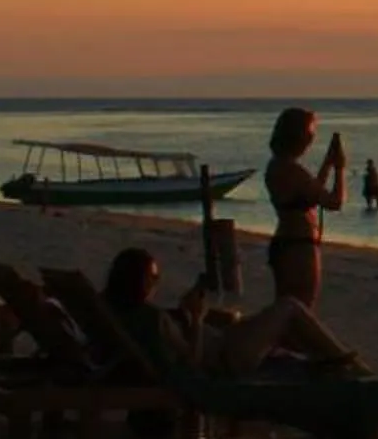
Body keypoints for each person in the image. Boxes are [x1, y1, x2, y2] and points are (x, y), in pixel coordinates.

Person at [100, 246, 361, 378]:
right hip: (226, 358)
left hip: (222, 343)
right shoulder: (151, 319)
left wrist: (188, 314)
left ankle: (333, 363)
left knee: (268, 323)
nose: (156, 284)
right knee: (289, 307)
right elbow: (191, 367)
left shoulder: (116, 311)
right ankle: (347, 364)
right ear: (139, 281)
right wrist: (196, 319)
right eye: (152, 278)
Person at [261, 106, 346, 309]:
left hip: (287, 243)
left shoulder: (278, 166)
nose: (310, 140)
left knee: (286, 308)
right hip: (299, 246)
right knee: (300, 310)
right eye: (309, 134)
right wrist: (340, 168)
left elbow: (312, 193)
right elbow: (334, 201)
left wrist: (327, 163)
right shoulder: (292, 170)